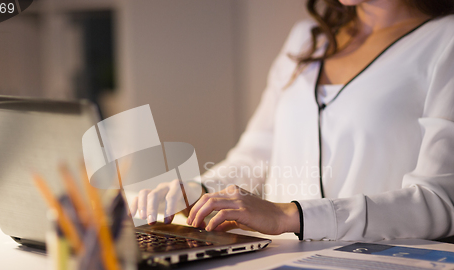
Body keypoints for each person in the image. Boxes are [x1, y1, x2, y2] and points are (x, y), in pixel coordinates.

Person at [131, 0, 454, 241]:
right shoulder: (306, 39)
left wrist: (291, 215)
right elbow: (257, 153)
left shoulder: (445, 40)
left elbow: (440, 203)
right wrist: (199, 191)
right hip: (276, 264)